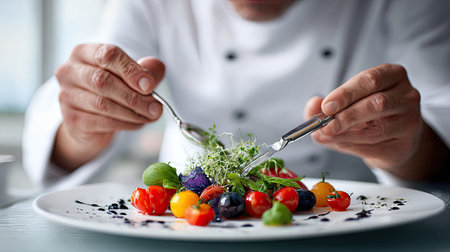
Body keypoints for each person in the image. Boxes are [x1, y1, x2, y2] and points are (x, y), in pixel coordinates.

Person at [23, 0, 450, 190]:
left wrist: (406, 147)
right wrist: (82, 129)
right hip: (185, 223)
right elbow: (82, 95)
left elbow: (440, 117)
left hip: (349, 220)